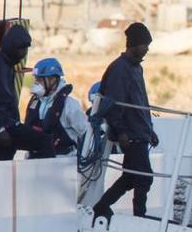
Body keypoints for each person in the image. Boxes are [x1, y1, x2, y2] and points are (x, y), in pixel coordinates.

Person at [93, 23, 159, 219]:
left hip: (140, 132)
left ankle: (100, 207)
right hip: (130, 134)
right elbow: (114, 104)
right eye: (144, 44)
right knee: (144, 178)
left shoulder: (136, 69)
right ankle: (140, 217)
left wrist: (150, 130)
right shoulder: (119, 69)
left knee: (130, 177)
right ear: (133, 44)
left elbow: (142, 103)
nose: (147, 48)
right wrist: (121, 131)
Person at [0, 25, 55, 161]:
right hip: (1, 128)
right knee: (44, 142)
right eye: (21, 49)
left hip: (7, 124)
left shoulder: (7, 65)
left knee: (4, 168)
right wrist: (0, 129)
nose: (24, 53)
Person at [25, 58, 88, 159]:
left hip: (63, 160)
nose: (36, 83)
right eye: (35, 79)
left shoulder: (69, 105)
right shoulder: (35, 102)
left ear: (53, 79)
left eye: (40, 80)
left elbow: (86, 132)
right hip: (37, 159)